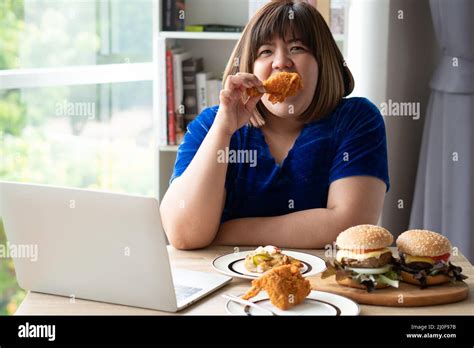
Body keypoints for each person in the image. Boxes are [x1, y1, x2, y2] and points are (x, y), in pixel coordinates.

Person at [160, 0, 390, 250]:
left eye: (297, 47)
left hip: (324, 285)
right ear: (248, 67)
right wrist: (223, 130)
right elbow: (183, 233)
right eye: (265, 52)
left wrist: (224, 232)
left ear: (323, 63)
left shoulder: (356, 119)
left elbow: (349, 227)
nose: (281, 62)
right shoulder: (211, 125)